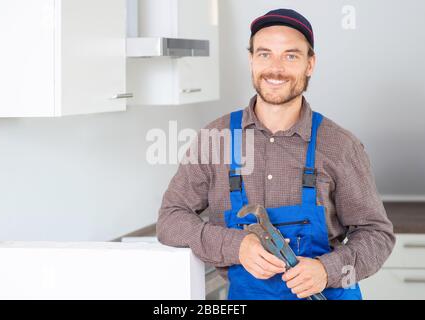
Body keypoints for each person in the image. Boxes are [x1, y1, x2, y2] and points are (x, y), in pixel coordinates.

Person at [156, 8, 395, 300]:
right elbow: (170, 219)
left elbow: (377, 234)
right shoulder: (214, 140)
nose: (276, 68)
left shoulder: (341, 146)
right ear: (251, 60)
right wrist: (236, 245)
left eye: (291, 55)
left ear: (310, 64)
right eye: (265, 54)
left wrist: (327, 270)